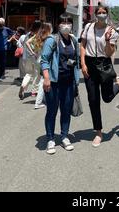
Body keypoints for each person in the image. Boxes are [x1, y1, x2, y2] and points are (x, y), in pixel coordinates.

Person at [80, 5, 119, 148]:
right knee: (93, 100)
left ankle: (118, 84)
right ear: (95, 14)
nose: (101, 14)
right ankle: (98, 132)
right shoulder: (88, 27)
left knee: (106, 98)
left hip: (104, 64)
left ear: (107, 14)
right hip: (89, 64)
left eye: (104, 12)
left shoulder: (111, 31)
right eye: (99, 12)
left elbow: (109, 53)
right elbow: (83, 45)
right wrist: (83, 64)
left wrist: (107, 40)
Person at [40, 21, 78, 155]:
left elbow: (76, 59)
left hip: (68, 82)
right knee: (52, 111)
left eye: (69, 23)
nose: (66, 25)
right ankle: (50, 138)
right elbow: (44, 60)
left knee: (66, 110)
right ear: (58, 25)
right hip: (54, 82)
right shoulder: (52, 40)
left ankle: (64, 136)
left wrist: (76, 79)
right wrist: (46, 78)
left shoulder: (74, 40)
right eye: (63, 22)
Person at [18, 20, 42, 100]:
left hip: (26, 57)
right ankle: (34, 91)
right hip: (35, 57)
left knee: (28, 74)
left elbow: (24, 44)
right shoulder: (38, 34)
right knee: (36, 74)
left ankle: (23, 86)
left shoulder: (28, 34)